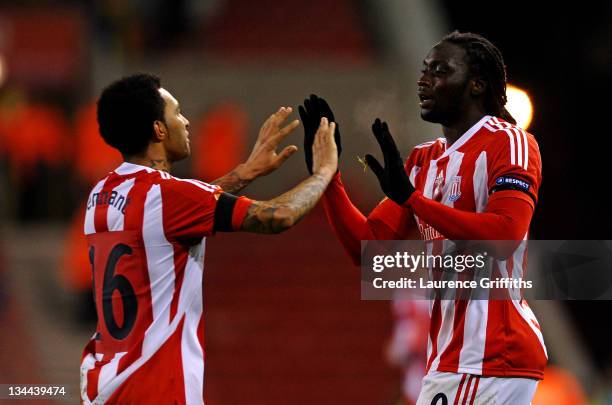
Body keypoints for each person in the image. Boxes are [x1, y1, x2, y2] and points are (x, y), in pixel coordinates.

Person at [299, 31, 546, 404]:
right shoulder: (423, 159)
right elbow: (369, 250)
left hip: (490, 355)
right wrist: (327, 178)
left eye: (440, 70)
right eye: (424, 69)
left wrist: (414, 200)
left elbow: (504, 235)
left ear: (477, 84)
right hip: (453, 358)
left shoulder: (508, 142)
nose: (424, 79)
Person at [80, 73, 338, 404]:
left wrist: (243, 173)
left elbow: (172, 215)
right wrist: (323, 172)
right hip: (157, 388)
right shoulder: (168, 196)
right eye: (177, 113)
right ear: (159, 129)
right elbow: (279, 216)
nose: (186, 122)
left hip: (103, 387)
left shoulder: (102, 193)